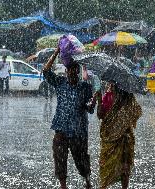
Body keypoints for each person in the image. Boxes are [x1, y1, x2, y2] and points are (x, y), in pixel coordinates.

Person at [43, 47, 96, 189]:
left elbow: (89, 109)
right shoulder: (60, 83)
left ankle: (87, 180)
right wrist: (55, 53)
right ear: (66, 72)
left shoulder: (85, 87)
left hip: (78, 130)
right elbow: (46, 71)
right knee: (59, 158)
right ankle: (63, 185)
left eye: (75, 71)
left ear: (78, 72)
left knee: (81, 159)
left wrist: (94, 101)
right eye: (70, 71)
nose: (72, 73)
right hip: (61, 128)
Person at [95, 81, 142, 189]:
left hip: (124, 138)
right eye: (110, 83)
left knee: (124, 167)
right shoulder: (107, 96)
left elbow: (136, 111)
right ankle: (104, 186)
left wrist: (124, 121)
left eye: (112, 84)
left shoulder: (127, 97)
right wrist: (98, 100)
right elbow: (100, 115)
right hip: (109, 137)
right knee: (106, 164)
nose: (110, 85)